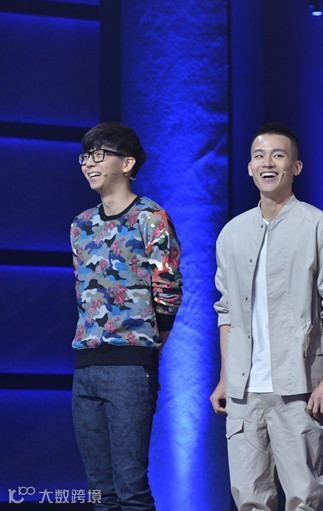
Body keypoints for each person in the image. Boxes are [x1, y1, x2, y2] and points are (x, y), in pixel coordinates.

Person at [210, 123, 323, 511]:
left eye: (278, 155)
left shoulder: (321, 227)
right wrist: (226, 377)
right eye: (259, 156)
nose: (268, 163)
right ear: (249, 167)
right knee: (248, 499)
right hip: (244, 391)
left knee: (304, 498)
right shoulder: (232, 233)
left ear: (296, 167)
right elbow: (227, 310)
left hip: (299, 386)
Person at [70, 122, 183, 510]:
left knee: (131, 487)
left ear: (128, 163)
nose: (89, 163)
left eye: (99, 154)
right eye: (85, 156)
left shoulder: (151, 218)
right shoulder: (80, 225)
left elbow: (167, 289)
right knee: (99, 490)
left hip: (130, 367)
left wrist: (150, 347)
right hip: (86, 365)